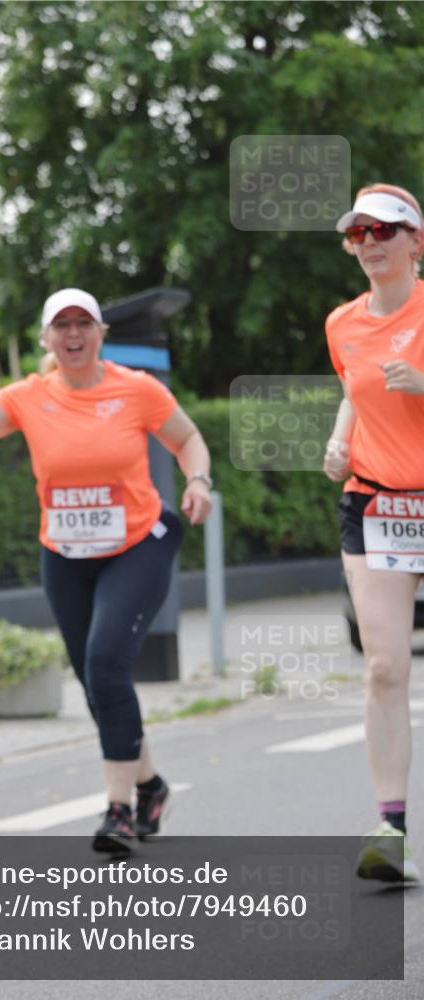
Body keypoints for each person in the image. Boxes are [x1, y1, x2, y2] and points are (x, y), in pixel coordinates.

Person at [0, 287, 213, 854]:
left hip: (136, 545)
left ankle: (119, 812)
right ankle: (150, 787)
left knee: (105, 664)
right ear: (47, 338)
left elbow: (188, 439)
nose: (73, 334)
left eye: (84, 324)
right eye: (62, 325)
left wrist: (198, 481)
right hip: (65, 555)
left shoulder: (136, 390)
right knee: (96, 683)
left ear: (100, 333)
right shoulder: (30, 396)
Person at [323, 184, 424, 882]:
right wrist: (338, 439)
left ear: (416, 240)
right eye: (359, 233)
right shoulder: (341, 323)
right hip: (377, 505)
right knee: (384, 666)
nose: (371, 242)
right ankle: (389, 830)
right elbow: (354, 390)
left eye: (385, 230)